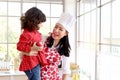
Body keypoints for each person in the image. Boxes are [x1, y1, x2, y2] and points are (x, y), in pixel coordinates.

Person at [40, 13, 76, 80]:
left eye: (60, 29)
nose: (56, 30)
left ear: (66, 33)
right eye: (55, 27)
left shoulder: (64, 49)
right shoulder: (43, 39)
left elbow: (66, 70)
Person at [17, 7, 46, 80]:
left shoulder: (35, 32)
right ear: (35, 21)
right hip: (31, 64)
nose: (42, 25)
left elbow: (39, 39)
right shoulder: (26, 34)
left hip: (35, 62)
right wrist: (31, 48)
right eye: (41, 22)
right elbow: (19, 46)